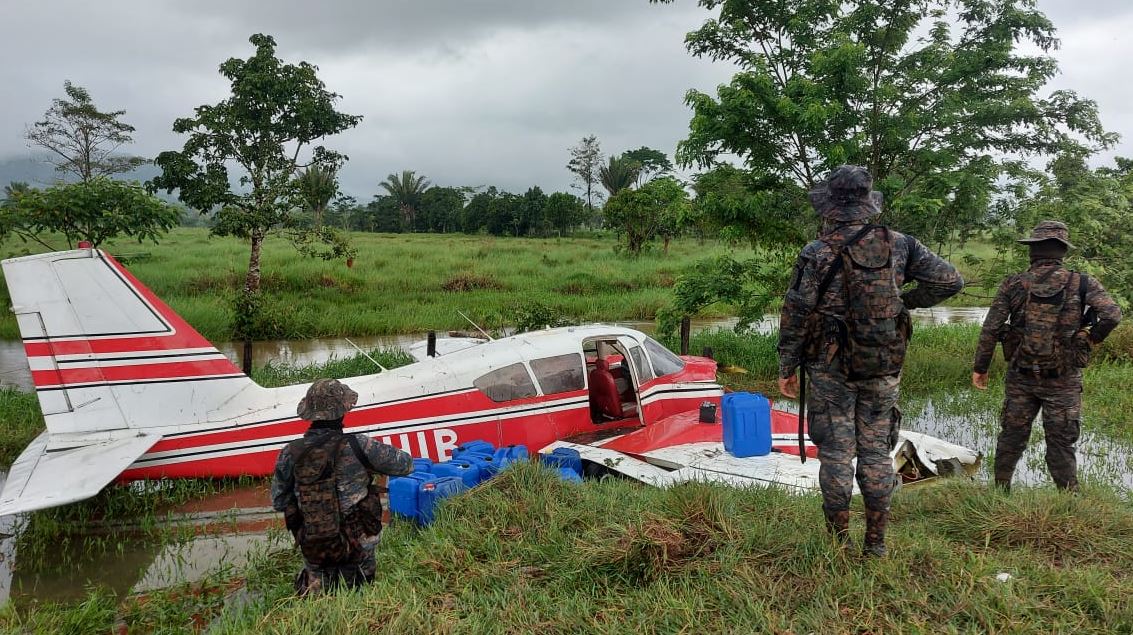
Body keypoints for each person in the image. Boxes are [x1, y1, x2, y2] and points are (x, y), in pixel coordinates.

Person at [778, 165, 963, 557]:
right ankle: (876, 545)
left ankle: (837, 543)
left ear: (830, 206)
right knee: (877, 451)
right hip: (882, 362)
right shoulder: (901, 244)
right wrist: (904, 301)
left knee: (836, 453)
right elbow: (951, 281)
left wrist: (786, 364)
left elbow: (796, 309)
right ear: (868, 203)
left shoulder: (816, 251)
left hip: (829, 366)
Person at [972, 221, 1121, 492]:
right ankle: (1068, 500)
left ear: (1033, 251)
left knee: (1011, 437)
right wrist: (1091, 337)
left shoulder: (1013, 283)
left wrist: (980, 367)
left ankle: (1000, 492)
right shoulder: (1083, 283)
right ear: (1062, 251)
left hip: (1021, 377)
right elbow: (1112, 314)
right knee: (1061, 442)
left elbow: (991, 328)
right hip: (1063, 379)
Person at [271, 378, 413, 595]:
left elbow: (279, 501)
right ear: (343, 409)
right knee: (361, 598)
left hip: (314, 546)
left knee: (316, 605)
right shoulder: (359, 445)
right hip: (358, 548)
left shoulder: (289, 453)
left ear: (308, 413)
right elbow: (405, 465)